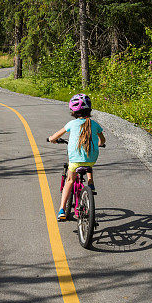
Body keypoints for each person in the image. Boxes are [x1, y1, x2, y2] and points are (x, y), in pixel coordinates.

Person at [47, 93, 106, 221]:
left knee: (70, 180)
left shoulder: (71, 124)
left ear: (73, 112)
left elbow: (55, 136)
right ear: (89, 110)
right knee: (88, 163)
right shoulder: (95, 124)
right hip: (92, 159)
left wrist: (52, 139)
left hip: (75, 161)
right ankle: (90, 183)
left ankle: (62, 209)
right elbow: (102, 140)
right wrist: (100, 144)